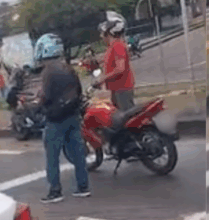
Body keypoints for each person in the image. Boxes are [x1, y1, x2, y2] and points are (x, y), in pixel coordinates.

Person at [35, 33, 91, 203]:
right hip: (73, 115)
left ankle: (55, 191)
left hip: (56, 119)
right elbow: (79, 90)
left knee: (52, 157)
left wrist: (39, 102)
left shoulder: (48, 72)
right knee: (78, 153)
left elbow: (47, 96)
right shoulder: (68, 68)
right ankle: (83, 187)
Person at [93, 11, 136, 111]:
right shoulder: (112, 47)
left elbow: (120, 68)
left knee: (127, 118)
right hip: (116, 89)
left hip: (122, 88)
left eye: (102, 33)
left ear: (109, 33)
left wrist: (102, 78)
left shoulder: (118, 45)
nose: (101, 36)